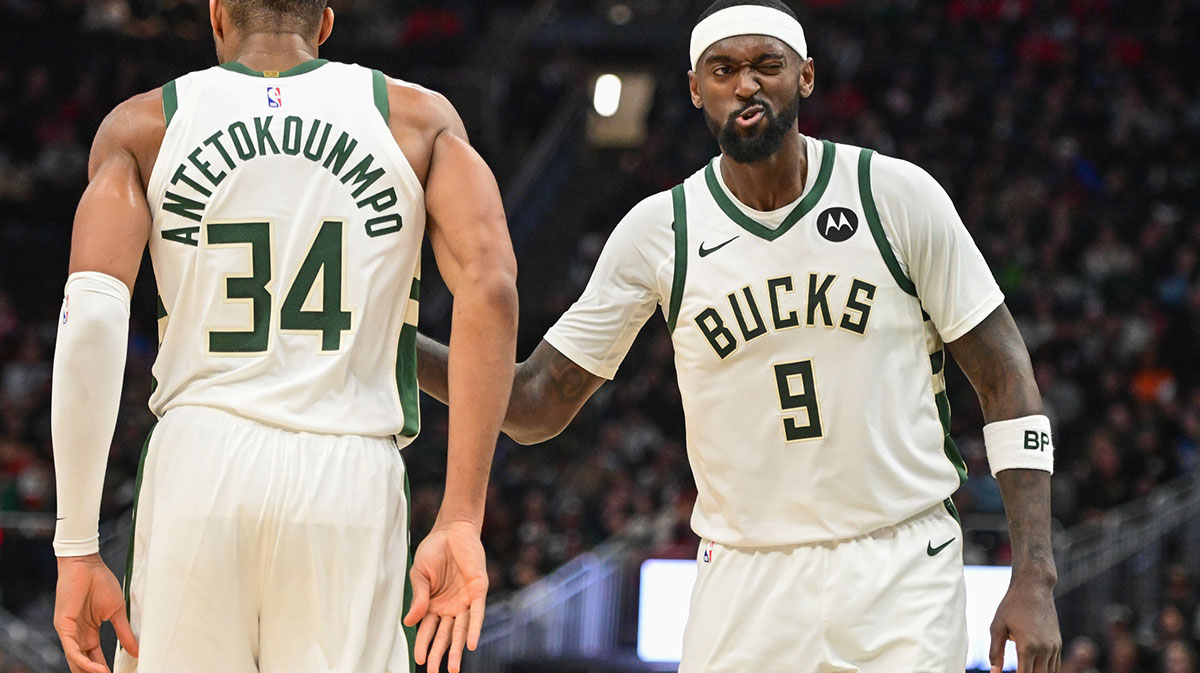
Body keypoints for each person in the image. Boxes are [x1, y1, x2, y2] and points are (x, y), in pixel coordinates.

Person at [416, 1, 1061, 672]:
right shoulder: (660, 230)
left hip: (899, 563)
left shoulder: (894, 196)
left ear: (805, 77)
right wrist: (395, 345)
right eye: (723, 69)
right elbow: (534, 402)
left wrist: (1035, 577)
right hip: (744, 574)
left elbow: (1006, 378)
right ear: (696, 88)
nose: (745, 85)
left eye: (766, 66)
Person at [50, 2, 517, 673]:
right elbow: (493, 290)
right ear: (325, 23)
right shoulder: (416, 119)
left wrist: (77, 546)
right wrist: (460, 516)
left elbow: (92, 317)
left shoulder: (144, 124)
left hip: (199, 464)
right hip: (347, 468)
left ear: (216, 16)